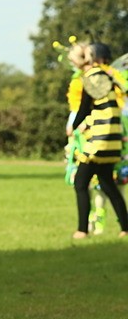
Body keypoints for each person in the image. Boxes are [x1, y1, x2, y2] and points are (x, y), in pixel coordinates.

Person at [66, 42, 128, 239]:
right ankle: (125, 228)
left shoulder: (92, 77)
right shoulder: (107, 76)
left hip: (99, 142)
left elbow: (84, 108)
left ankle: (82, 230)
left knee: (81, 183)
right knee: (108, 185)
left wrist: (73, 127)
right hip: (113, 141)